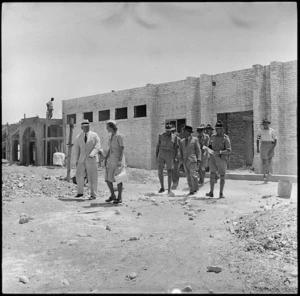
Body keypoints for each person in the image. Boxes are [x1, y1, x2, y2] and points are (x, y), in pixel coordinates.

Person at [74, 119, 101, 200]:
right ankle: (80, 192)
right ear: (82, 127)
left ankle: (93, 194)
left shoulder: (94, 135)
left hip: (92, 159)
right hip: (82, 159)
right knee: (79, 175)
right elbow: (77, 149)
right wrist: (77, 160)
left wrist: (92, 154)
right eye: (85, 127)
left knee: (92, 177)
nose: (87, 128)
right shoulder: (79, 137)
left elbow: (97, 146)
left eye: (88, 126)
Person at [204, 120, 231, 198]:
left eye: (218, 128)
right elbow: (210, 146)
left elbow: (229, 150)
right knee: (212, 174)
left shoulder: (225, 138)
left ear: (222, 129)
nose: (216, 130)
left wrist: (219, 152)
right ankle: (211, 192)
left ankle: (221, 193)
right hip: (212, 158)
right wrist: (207, 149)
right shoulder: (213, 137)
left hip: (221, 159)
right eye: (216, 128)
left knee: (222, 176)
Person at [104, 120, 125, 204]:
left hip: (118, 159)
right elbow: (110, 148)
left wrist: (120, 160)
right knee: (107, 178)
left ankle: (119, 197)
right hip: (111, 159)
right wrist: (106, 158)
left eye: (107, 127)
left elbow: (122, 148)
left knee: (119, 178)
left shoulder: (119, 136)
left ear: (112, 127)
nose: (106, 129)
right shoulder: (111, 137)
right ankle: (113, 195)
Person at [156, 122, 179, 194]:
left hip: (170, 154)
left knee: (169, 172)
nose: (168, 132)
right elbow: (158, 146)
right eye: (167, 130)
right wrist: (156, 156)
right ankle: (162, 187)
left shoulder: (175, 137)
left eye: (169, 130)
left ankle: (169, 189)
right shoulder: (161, 136)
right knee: (160, 172)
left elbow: (176, 148)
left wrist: (176, 157)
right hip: (161, 154)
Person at [179, 125, 201, 195]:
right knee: (188, 176)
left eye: (184, 131)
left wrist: (199, 160)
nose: (183, 133)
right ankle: (191, 189)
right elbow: (181, 151)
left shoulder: (195, 140)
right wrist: (181, 160)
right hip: (185, 161)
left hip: (192, 160)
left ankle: (195, 189)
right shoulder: (182, 141)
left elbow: (198, 151)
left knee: (193, 175)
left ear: (188, 132)